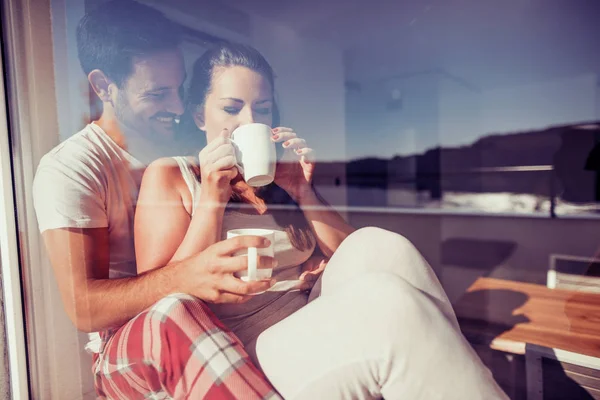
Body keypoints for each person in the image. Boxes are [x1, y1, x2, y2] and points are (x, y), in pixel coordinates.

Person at [135, 42, 509, 399]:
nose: (250, 121)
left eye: (262, 110)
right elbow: (158, 303)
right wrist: (212, 198)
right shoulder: (171, 174)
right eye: (232, 109)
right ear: (200, 115)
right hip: (248, 349)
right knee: (392, 306)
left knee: (384, 245)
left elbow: (359, 256)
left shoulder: (279, 183)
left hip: (315, 318)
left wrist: (301, 190)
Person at [32, 2, 281, 398]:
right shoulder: (73, 167)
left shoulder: (191, 146)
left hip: (209, 315)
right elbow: (84, 308)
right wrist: (183, 276)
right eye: (157, 93)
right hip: (133, 341)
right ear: (103, 86)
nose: (178, 107)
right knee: (174, 312)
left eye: (179, 88)